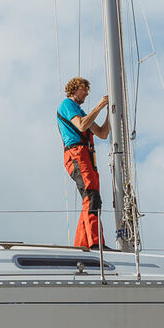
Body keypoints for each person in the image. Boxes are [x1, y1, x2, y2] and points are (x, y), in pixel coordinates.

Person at [57, 76, 109, 249]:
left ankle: (82, 244)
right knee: (92, 197)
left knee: (90, 198)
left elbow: (102, 133)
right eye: (83, 89)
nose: (86, 93)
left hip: (86, 156)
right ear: (74, 89)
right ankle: (95, 243)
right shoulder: (68, 105)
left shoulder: (81, 112)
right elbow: (81, 126)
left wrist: (110, 112)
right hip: (77, 154)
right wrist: (100, 106)